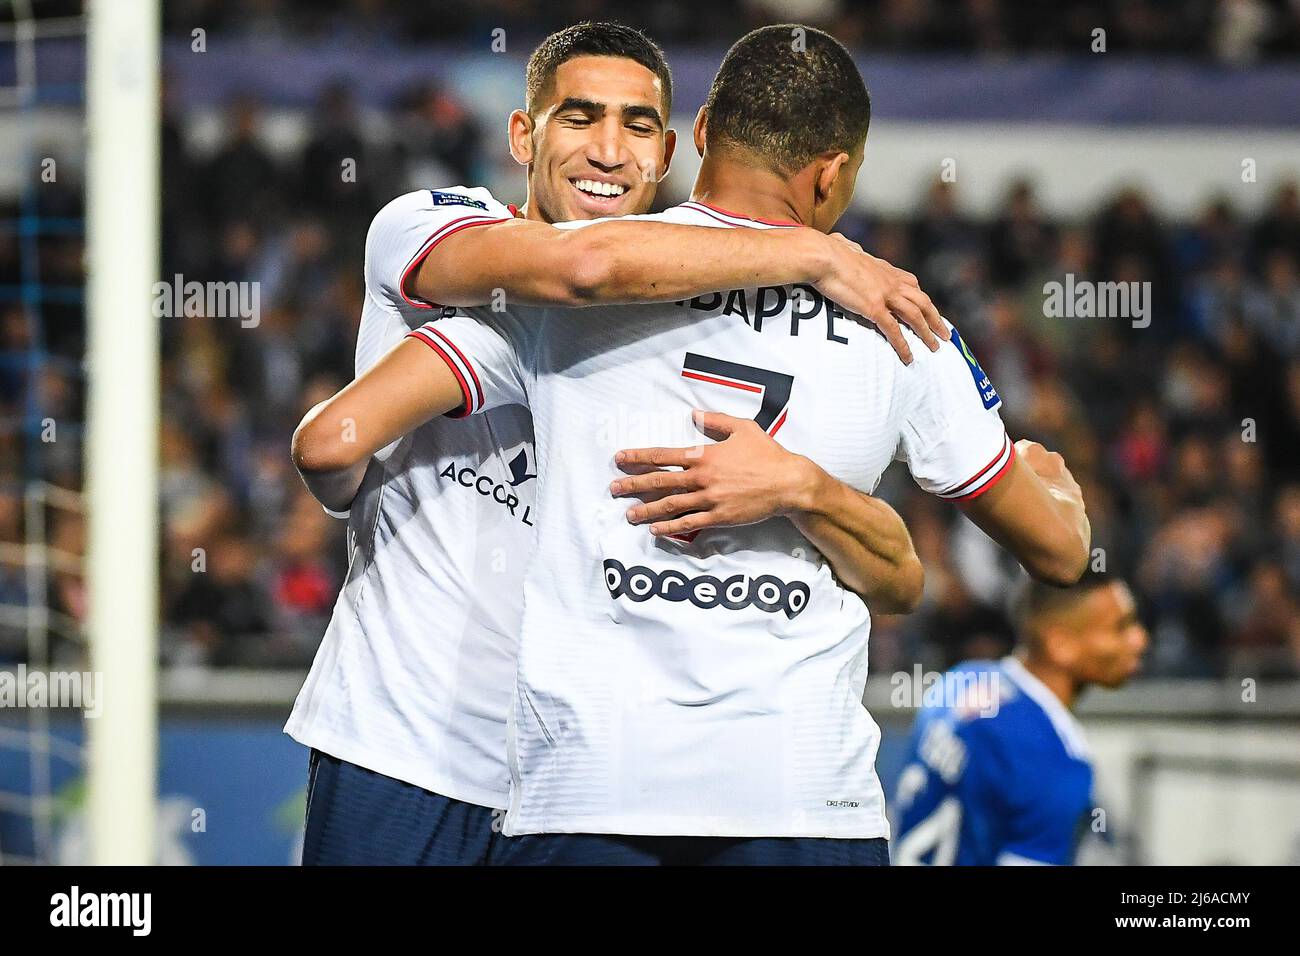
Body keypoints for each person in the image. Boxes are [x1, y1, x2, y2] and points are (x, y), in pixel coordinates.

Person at [293, 24, 1091, 865]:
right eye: (581, 119)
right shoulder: (890, 316)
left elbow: (901, 576)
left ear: (691, 137)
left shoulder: (557, 300)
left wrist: (804, 489)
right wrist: (814, 257)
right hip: (451, 749)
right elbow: (1035, 555)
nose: (608, 151)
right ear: (835, 174)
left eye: (637, 126)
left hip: (577, 787)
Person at [893, 571, 1147, 865]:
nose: (1140, 639)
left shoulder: (960, 681)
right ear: (1060, 643)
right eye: (1120, 627)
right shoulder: (1055, 759)